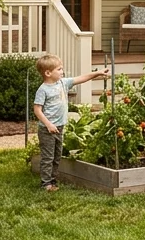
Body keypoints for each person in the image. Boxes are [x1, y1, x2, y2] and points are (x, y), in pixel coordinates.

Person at [33, 54, 108, 192]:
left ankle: (53, 181)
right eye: (59, 69)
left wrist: (97, 73)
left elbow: (81, 78)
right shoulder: (43, 90)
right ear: (48, 73)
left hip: (59, 127)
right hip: (47, 129)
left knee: (57, 156)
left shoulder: (63, 83)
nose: (62, 71)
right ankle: (46, 184)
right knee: (48, 157)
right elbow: (37, 110)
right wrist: (49, 124)